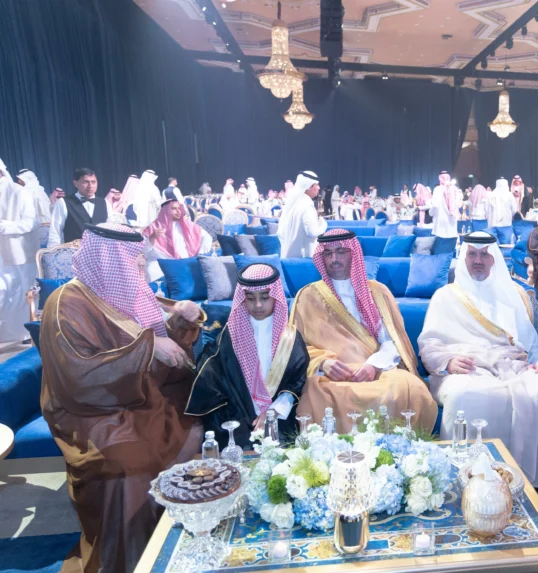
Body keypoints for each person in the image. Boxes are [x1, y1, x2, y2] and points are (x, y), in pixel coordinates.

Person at [40, 223, 203, 573]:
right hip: (90, 410)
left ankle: (183, 544)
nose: (140, 265)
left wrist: (179, 323)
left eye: (139, 258)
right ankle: (131, 561)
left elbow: (163, 351)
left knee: (196, 426)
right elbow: (77, 377)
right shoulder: (64, 304)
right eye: (132, 260)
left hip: (142, 399)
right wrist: (148, 349)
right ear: (107, 260)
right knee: (128, 465)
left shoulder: (134, 291)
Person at [418, 231, 538, 489]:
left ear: (494, 258)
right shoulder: (446, 296)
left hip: (514, 366)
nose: (478, 260)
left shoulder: (513, 294)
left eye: (484, 254)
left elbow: (530, 342)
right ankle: (465, 481)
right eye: (472, 254)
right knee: (464, 397)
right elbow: (429, 343)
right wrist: (448, 362)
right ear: (464, 258)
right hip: (468, 368)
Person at [291, 229, 437, 428]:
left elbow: (392, 341)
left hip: (376, 371)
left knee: (409, 387)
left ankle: (393, 445)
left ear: (354, 254)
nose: (334, 259)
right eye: (328, 253)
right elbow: (295, 348)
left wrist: (373, 365)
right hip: (330, 377)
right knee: (315, 394)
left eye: (341, 252)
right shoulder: (307, 296)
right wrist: (322, 363)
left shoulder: (377, 292)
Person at [187, 263, 309, 448]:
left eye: (265, 297)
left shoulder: (290, 337)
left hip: (279, 414)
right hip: (237, 413)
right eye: (250, 298)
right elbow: (213, 374)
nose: (258, 305)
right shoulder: (230, 334)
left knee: (282, 452)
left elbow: (296, 381)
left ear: (275, 296)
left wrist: (274, 411)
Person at [0, 158, 39, 343]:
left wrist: (4, 226)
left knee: (21, 296)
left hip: (19, 254)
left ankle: (23, 335)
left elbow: (32, 222)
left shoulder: (18, 192)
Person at [142, 195, 213, 281]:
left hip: (186, 261)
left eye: (179, 208)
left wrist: (200, 254)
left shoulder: (187, 225)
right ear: (166, 210)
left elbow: (207, 237)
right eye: (174, 208)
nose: (178, 211)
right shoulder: (153, 228)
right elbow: (143, 250)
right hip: (163, 262)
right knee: (152, 270)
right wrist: (152, 238)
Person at [48, 168, 109, 247]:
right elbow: (55, 231)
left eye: (93, 182)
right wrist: (52, 252)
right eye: (85, 182)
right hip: (74, 251)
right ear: (76, 183)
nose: (90, 186)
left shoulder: (105, 203)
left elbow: (111, 230)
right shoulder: (63, 202)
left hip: (101, 250)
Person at [278, 171, 326, 258]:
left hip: (289, 258)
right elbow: (312, 232)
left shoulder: (295, 203)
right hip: (304, 259)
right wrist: (323, 225)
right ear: (309, 187)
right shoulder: (307, 205)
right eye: (316, 185)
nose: (319, 188)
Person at [431, 171, 460, 239]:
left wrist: (431, 213)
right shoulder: (455, 188)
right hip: (452, 218)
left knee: (441, 239)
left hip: (440, 218)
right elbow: (458, 204)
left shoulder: (437, 189)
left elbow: (435, 205)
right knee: (451, 238)